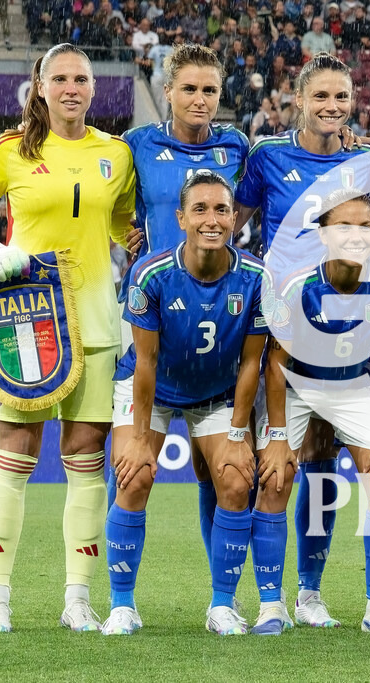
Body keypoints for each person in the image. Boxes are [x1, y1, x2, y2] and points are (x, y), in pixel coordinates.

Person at [0, 44, 137, 633]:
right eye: (59, 78)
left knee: (86, 464)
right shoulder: (10, 150)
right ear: (40, 87)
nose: (71, 88)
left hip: (99, 326)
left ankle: (77, 599)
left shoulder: (117, 154)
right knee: (14, 458)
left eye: (81, 78)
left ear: (93, 88)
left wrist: (134, 239)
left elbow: (115, 222)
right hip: (26, 320)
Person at [236, 52, 370, 630]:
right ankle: (248, 598)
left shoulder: (367, 163)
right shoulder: (267, 155)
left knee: (321, 466)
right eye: (321, 97)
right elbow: (230, 223)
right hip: (279, 335)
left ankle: (309, 594)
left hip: (344, 336)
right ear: (299, 99)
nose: (332, 108)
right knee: (268, 470)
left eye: (341, 98)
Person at [102, 172, 267, 636]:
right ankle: (122, 605)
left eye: (221, 210)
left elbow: (252, 363)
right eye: (200, 210)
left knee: (236, 481)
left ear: (236, 218)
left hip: (217, 391)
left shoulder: (255, 277)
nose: (211, 220)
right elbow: (147, 362)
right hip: (150, 387)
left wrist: (238, 435)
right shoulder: (151, 273)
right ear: (180, 219)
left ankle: (222, 605)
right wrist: (137, 439)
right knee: (134, 474)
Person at [116, 43, 251, 564]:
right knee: (134, 462)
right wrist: (126, 234)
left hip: (221, 313)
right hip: (153, 311)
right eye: (189, 89)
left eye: (209, 90)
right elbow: (114, 205)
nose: (199, 99)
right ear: (166, 91)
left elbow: (257, 204)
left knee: (218, 470)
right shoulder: (136, 145)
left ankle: (223, 593)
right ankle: (118, 590)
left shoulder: (238, 147)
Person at [262, 192, 370, 635]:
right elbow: (276, 362)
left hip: (353, 383)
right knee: (275, 477)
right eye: (345, 227)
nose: (357, 236)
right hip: (299, 384)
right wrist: (276, 435)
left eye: (366, 227)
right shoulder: (299, 285)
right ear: (324, 235)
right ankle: (274, 605)